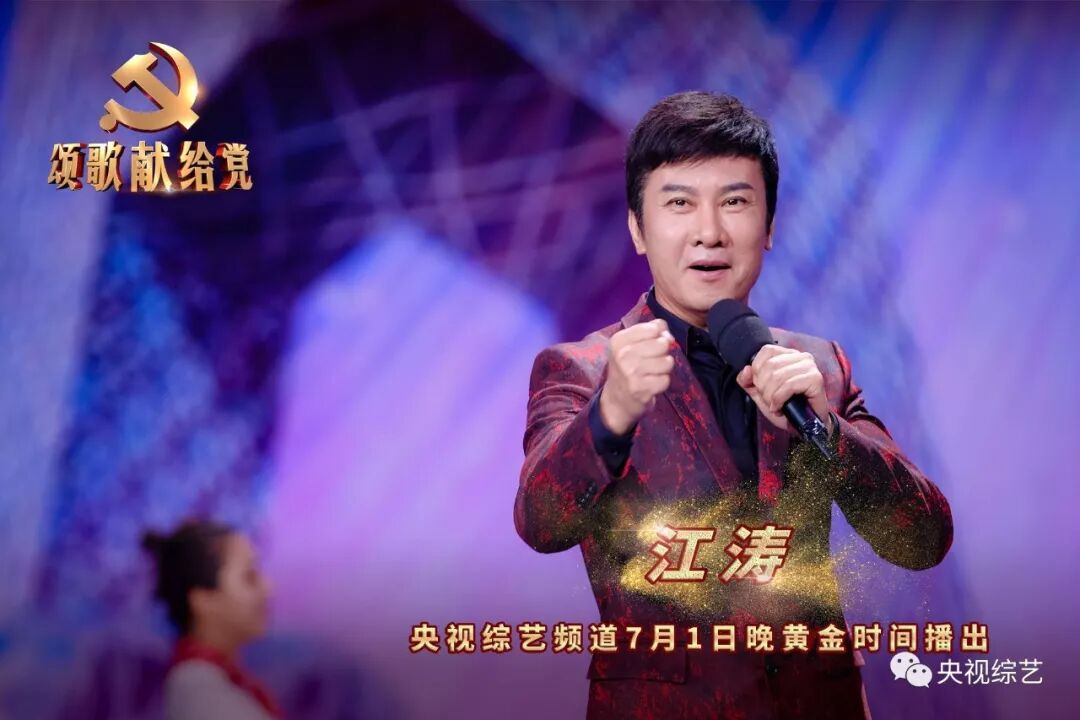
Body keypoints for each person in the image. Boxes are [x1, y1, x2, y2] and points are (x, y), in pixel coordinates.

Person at [515, 91, 953, 720]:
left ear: (768, 226)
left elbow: (922, 539)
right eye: (679, 203)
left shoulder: (818, 366)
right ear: (638, 228)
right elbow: (540, 522)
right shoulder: (584, 369)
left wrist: (827, 431)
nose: (710, 232)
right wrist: (611, 413)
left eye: (735, 201)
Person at [142, 519, 281, 720]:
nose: (268, 588)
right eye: (250, 577)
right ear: (203, 599)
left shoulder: (211, 681)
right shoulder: (201, 693)